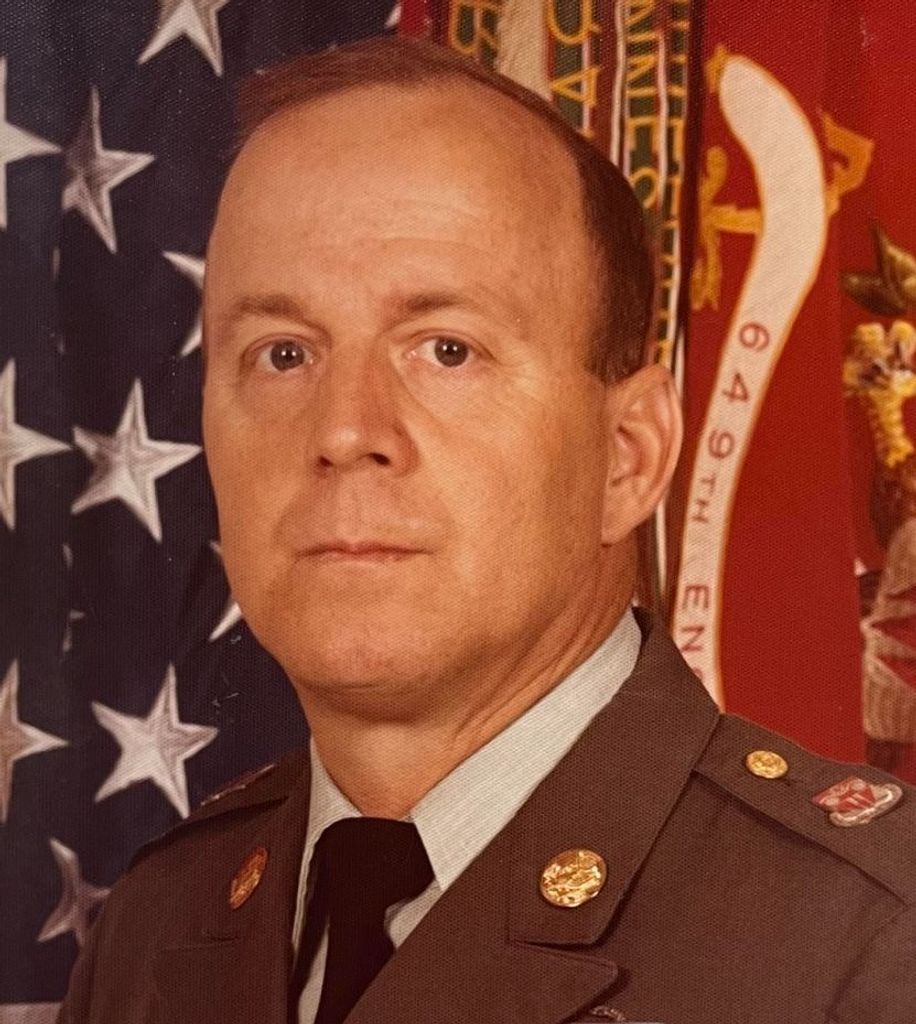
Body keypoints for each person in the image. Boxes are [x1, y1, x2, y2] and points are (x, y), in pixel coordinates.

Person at [59, 36, 916, 1024]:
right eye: (282, 353)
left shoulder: (868, 947)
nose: (344, 430)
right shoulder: (154, 930)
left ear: (628, 455)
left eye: (446, 349)